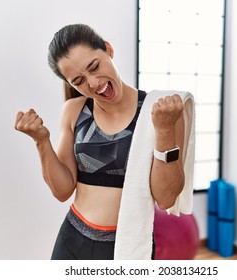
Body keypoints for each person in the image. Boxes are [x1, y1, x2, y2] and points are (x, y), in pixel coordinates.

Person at [14, 23, 187, 260]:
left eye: (94, 67)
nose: (94, 83)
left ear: (108, 49)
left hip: (126, 246)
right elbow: (62, 191)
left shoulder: (157, 113)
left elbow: (166, 197)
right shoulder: (74, 110)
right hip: (71, 240)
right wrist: (41, 141)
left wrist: (166, 130)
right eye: (79, 81)